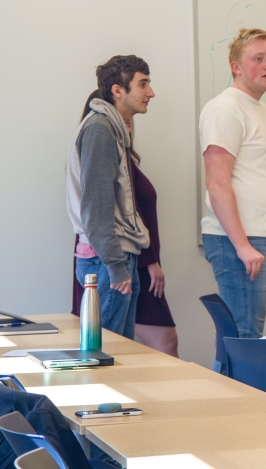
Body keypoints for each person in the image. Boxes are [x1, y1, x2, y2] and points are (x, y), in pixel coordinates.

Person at [200, 28, 266, 343]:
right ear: (236, 67)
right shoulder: (226, 108)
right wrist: (243, 246)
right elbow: (217, 183)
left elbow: (255, 178)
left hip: (265, 235)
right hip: (242, 241)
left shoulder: (264, 111)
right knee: (244, 337)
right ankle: (234, 393)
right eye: (258, 59)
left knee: (245, 336)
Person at [73, 117, 178, 356]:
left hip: (130, 257)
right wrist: (150, 261)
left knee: (121, 347)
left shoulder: (125, 159)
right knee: (111, 348)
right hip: (121, 259)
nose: (127, 124)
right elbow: (105, 212)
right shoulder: (102, 143)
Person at [65, 55, 152, 339]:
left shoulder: (111, 128)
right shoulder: (101, 129)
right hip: (106, 262)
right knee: (107, 359)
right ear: (118, 90)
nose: (150, 93)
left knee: (118, 355)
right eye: (143, 84)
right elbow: (95, 209)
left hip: (113, 258)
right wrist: (115, 266)